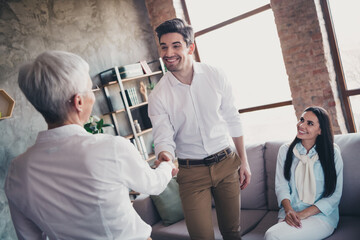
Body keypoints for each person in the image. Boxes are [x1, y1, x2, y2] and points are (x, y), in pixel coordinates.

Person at [5, 50, 178, 240]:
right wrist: (167, 165)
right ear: (78, 101)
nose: (93, 97)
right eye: (91, 90)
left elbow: (29, 237)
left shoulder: (17, 171)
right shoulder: (110, 148)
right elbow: (153, 184)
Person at [148, 18, 251, 240]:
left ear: (190, 47)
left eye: (176, 45)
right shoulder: (158, 95)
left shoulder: (215, 75)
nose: (169, 53)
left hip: (226, 163)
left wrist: (244, 160)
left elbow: (233, 118)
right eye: (164, 47)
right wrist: (164, 155)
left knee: (233, 232)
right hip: (191, 174)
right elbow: (163, 135)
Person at [265, 106, 343, 240]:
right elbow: (281, 186)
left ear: (321, 130)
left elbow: (334, 196)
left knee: (272, 236)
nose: (301, 125)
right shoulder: (285, 150)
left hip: (320, 216)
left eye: (310, 123)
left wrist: (302, 214)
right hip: (290, 213)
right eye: (302, 120)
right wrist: (290, 211)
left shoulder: (332, 153)